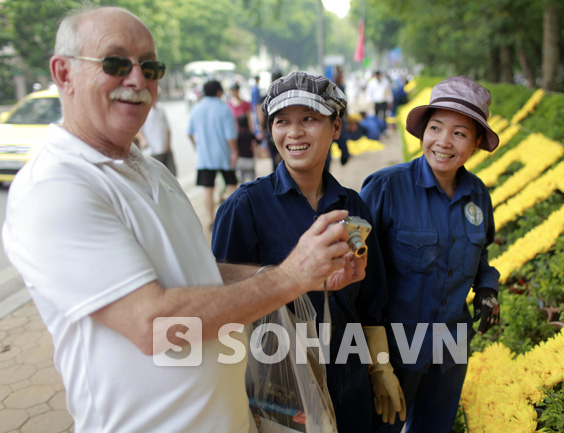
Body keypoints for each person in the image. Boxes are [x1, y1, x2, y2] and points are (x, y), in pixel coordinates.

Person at [2, 7, 366, 433]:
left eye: (150, 66)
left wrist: (293, 274)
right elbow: (155, 325)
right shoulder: (56, 188)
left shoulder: (149, 169)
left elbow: (196, 273)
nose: (137, 80)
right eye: (116, 63)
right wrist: (290, 278)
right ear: (64, 74)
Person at [212, 71, 406, 433]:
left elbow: (371, 300)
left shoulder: (354, 207)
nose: (294, 132)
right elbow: (220, 301)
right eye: (281, 121)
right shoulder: (245, 208)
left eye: (309, 119)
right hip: (279, 394)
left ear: (336, 127)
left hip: (350, 383)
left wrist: (380, 367)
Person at [360, 76, 502, 433]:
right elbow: (359, 270)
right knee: (382, 427)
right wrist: (373, 359)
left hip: (451, 345)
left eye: (459, 133)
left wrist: (487, 286)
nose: (443, 141)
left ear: (475, 144)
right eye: (436, 127)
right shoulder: (386, 187)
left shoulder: (478, 194)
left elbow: (479, 250)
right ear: (423, 133)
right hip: (396, 345)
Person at [188, 80, 238, 224]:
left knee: (208, 189)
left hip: (205, 157)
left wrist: (196, 146)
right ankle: (233, 219)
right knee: (231, 186)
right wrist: (234, 152)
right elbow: (230, 135)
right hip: (224, 155)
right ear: (219, 92)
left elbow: (189, 133)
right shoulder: (224, 109)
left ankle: (211, 220)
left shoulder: (196, 108)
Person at [138, 91, 176, 175]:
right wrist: (143, 141)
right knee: (155, 175)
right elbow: (139, 130)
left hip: (164, 147)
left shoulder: (161, 108)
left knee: (169, 174)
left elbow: (167, 128)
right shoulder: (144, 109)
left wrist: (169, 144)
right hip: (152, 149)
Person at [235, 114, 259, 183]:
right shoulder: (250, 134)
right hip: (249, 158)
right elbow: (258, 142)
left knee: (241, 180)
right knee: (252, 178)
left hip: (240, 158)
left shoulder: (237, 135)